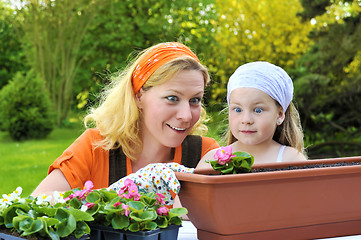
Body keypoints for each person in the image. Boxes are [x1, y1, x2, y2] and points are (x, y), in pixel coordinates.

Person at [31, 42, 219, 198]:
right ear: (139, 96)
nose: (186, 116)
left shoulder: (205, 155)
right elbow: (38, 204)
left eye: (195, 100)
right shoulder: (95, 148)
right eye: (172, 98)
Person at [197, 61, 306, 169]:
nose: (246, 120)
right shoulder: (211, 161)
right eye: (238, 109)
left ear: (280, 115)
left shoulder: (292, 160)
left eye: (258, 110)